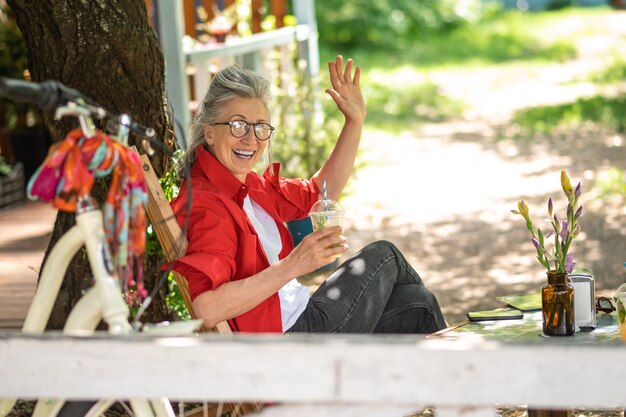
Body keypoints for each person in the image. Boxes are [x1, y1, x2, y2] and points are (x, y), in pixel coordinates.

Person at [170, 56, 446, 334]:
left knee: (418, 303)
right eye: (238, 126)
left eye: (260, 127)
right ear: (209, 132)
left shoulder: (249, 186)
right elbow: (207, 308)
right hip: (292, 340)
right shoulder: (209, 203)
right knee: (383, 255)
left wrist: (354, 122)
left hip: (303, 319)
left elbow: (320, 192)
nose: (251, 139)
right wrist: (293, 265)